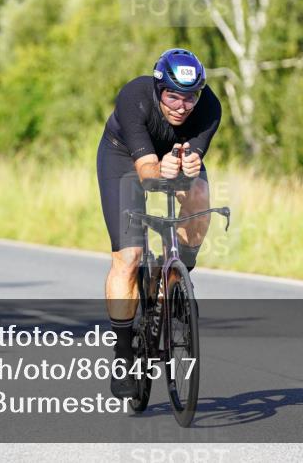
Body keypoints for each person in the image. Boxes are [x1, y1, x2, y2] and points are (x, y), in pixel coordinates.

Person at [97, 48, 222, 398]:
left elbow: (191, 162)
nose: (182, 106)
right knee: (129, 256)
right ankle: (123, 354)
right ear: (157, 89)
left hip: (174, 155)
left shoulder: (210, 108)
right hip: (124, 157)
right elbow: (147, 173)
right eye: (172, 97)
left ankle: (177, 278)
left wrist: (191, 165)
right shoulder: (134, 97)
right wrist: (159, 169)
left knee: (198, 195)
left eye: (190, 98)